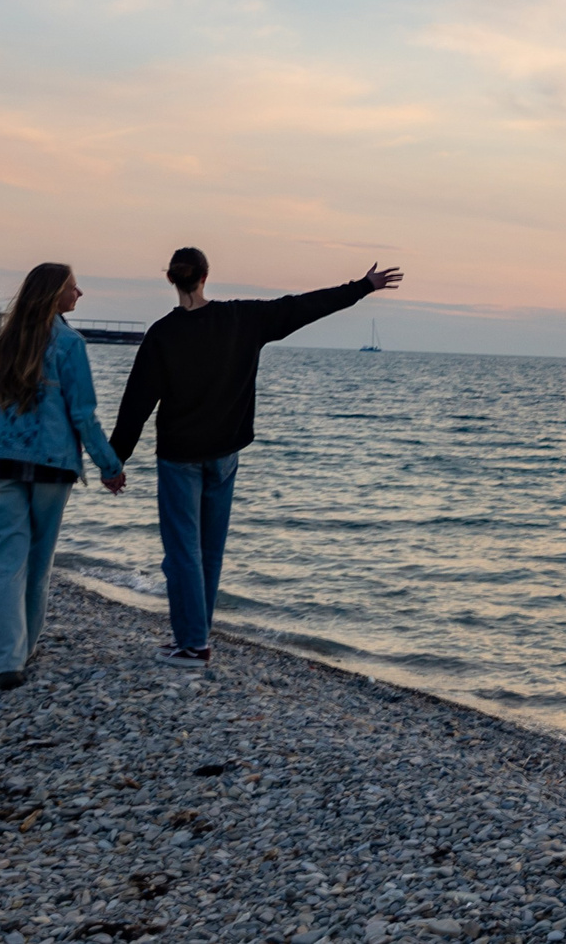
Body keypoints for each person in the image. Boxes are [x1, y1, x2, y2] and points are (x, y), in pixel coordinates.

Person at [109, 247, 402, 667]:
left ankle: (193, 644)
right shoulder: (241, 318)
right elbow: (303, 307)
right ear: (205, 277)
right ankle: (195, 637)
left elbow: (137, 402)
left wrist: (115, 461)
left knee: (183, 553)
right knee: (208, 551)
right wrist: (362, 288)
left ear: (171, 279)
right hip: (224, 455)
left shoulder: (164, 333)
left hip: (180, 458)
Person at [0, 262, 126, 689]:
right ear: (54, 295)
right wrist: (109, 466)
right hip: (52, 466)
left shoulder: (7, 340)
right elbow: (83, 415)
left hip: (0, 464)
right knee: (38, 562)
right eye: (73, 288)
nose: (79, 295)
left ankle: (6, 660)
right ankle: (23, 650)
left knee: (5, 564)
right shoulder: (70, 344)